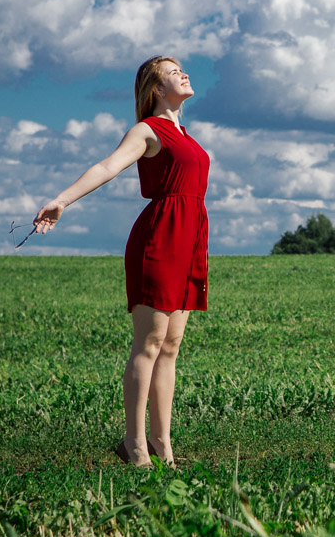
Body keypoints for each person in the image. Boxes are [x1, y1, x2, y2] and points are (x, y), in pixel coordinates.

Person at [32, 56, 209, 468]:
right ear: (156, 89)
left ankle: (162, 444)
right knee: (150, 342)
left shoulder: (186, 134)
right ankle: (134, 443)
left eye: (182, 68)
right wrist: (62, 200)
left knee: (171, 346)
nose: (184, 73)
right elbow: (108, 166)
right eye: (173, 72)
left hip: (190, 240)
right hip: (160, 237)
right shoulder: (148, 130)